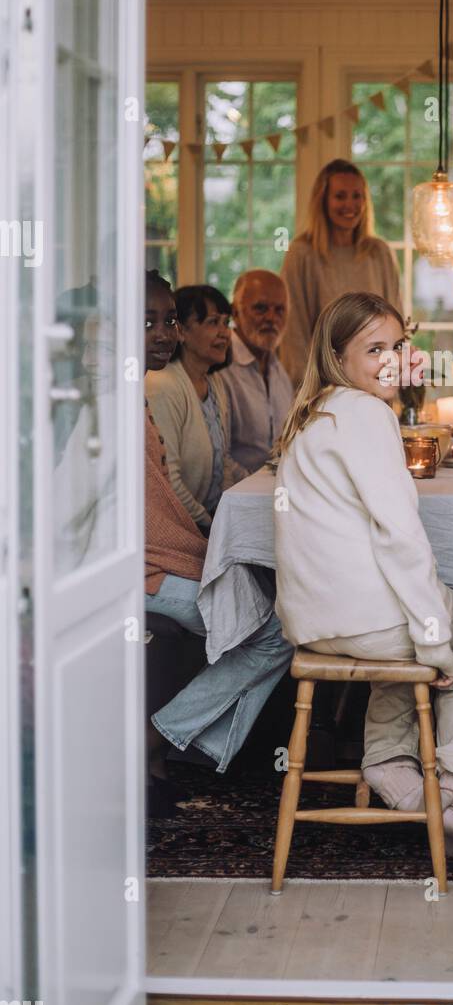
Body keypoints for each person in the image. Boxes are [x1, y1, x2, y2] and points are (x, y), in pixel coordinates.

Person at [273, 291, 453, 857]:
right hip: (367, 622)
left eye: (399, 345)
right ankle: (452, 797)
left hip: (313, 622)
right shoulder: (367, 413)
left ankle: (392, 772)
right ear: (337, 357)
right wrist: (436, 644)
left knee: (402, 650)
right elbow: (400, 539)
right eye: (374, 349)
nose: (393, 359)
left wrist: (422, 638)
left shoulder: (312, 414)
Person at [144, 271, 294, 791]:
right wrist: (211, 542)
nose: (161, 333)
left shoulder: (183, 390)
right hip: (147, 572)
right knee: (278, 628)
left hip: (167, 555)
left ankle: (192, 748)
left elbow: (216, 468)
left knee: (276, 613)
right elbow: (166, 495)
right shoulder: (159, 387)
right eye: (150, 323)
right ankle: (161, 740)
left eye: (166, 321)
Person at [280, 159, 402, 386]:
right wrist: (308, 390)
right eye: (340, 196)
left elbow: (395, 324)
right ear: (323, 201)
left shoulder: (380, 253)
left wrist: (392, 379)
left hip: (374, 385)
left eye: (357, 196)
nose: (350, 205)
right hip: (324, 388)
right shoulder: (302, 254)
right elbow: (294, 334)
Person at [145, 284, 248, 531]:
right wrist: (211, 526)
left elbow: (222, 462)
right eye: (213, 323)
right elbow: (169, 479)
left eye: (226, 323)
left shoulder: (215, 382)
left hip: (206, 519)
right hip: (177, 525)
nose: (224, 333)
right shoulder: (164, 385)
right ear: (181, 332)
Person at [221, 269, 295, 471]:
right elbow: (218, 459)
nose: (271, 318)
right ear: (235, 312)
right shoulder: (220, 368)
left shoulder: (280, 371)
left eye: (279, 310)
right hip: (233, 496)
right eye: (260, 308)